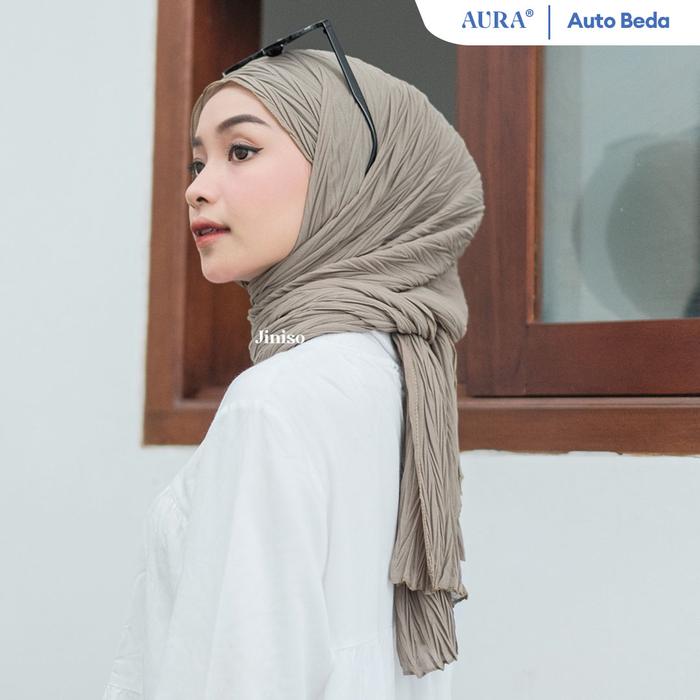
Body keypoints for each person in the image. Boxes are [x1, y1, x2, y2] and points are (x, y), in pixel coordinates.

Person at [102, 45, 485, 699]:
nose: (196, 187)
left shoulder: (275, 400)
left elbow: (241, 676)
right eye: (198, 161)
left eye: (240, 151)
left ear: (349, 174)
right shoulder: (400, 377)